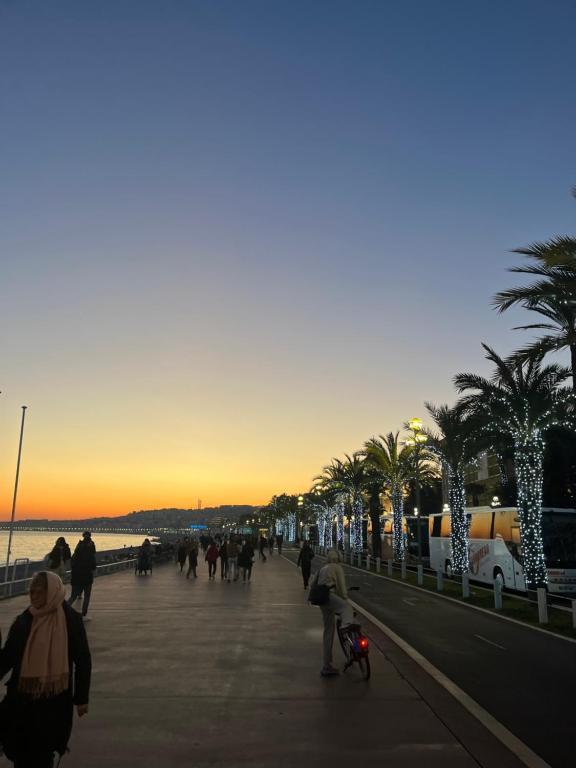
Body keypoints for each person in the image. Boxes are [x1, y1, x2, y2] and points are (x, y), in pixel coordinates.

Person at [0, 571, 91, 767]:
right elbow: (8, 656)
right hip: (22, 700)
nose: (34, 597)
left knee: (43, 752)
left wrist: (81, 699)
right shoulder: (25, 620)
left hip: (53, 702)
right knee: (20, 751)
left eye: (39, 592)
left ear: (52, 592)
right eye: (31, 592)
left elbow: (83, 660)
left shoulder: (70, 620)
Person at [315, 549, 356, 677]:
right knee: (347, 608)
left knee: (328, 631)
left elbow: (313, 583)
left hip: (321, 600)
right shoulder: (337, 568)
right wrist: (344, 599)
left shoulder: (323, 568)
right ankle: (346, 626)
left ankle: (326, 666)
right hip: (330, 596)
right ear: (339, 558)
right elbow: (342, 590)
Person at [68, 532, 97, 619]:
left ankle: (64, 610)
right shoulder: (90, 554)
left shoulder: (77, 552)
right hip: (87, 577)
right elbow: (93, 566)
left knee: (73, 596)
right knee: (87, 596)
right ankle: (84, 614)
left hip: (76, 576)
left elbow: (72, 563)